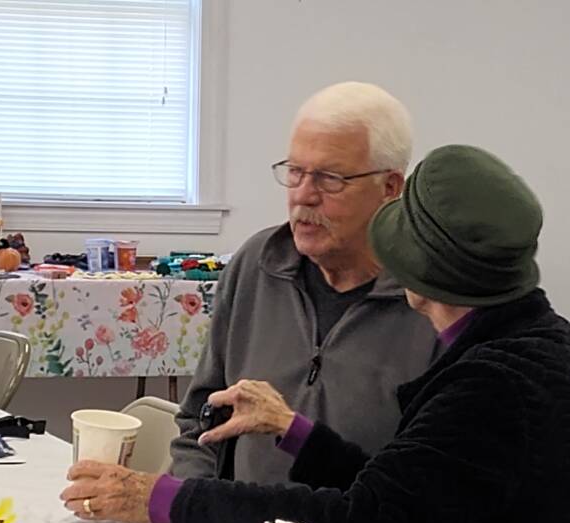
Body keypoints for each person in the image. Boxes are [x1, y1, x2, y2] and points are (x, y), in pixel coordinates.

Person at [61, 145, 570, 523]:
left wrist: (167, 498)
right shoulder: (555, 348)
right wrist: (294, 430)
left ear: (418, 270)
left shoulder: (494, 384)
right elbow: (409, 498)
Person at [169, 81, 438, 486]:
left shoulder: (433, 301)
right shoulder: (257, 264)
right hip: (241, 522)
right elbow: (199, 421)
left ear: (390, 188)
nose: (304, 196)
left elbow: (429, 486)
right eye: (295, 172)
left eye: (330, 179)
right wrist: (195, 500)